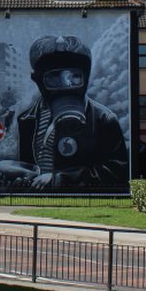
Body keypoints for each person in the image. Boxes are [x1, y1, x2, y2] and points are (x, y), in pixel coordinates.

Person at [17, 35, 128, 189]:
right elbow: (29, 166)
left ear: (86, 77)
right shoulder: (27, 120)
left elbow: (117, 171)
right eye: (54, 76)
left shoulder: (104, 120)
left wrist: (61, 179)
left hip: (81, 203)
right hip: (36, 202)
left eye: (75, 76)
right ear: (36, 79)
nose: (66, 84)